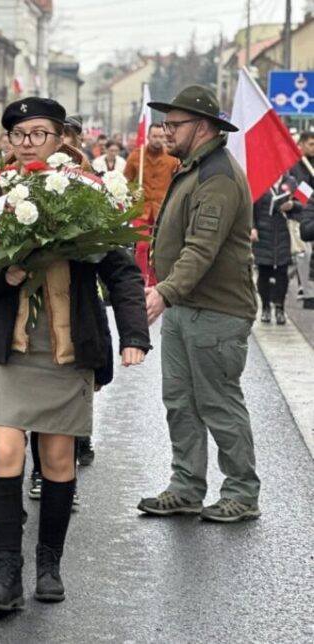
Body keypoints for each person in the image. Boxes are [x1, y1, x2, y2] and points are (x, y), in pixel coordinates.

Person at [0, 97, 149, 612]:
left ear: (60, 138)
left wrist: (134, 333)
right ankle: (6, 574)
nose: (27, 143)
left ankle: (49, 565)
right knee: (1, 453)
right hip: (7, 346)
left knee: (58, 460)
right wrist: (7, 274)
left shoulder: (86, 195)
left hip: (65, 346)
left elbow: (122, 270)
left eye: (38, 133)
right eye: (18, 135)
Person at [138, 85, 261, 523]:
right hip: (187, 307)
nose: (166, 132)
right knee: (180, 401)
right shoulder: (192, 168)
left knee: (218, 403)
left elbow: (201, 248)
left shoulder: (218, 177)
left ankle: (242, 492)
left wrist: (164, 291)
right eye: (166, 124)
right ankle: (187, 486)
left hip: (218, 311)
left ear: (202, 126)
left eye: (175, 125)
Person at [124, 123, 181, 287]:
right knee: (142, 246)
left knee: (159, 248)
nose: (158, 140)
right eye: (155, 136)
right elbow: (126, 180)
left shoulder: (172, 158)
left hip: (161, 211)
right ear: (148, 137)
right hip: (141, 209)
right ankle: (140, 280)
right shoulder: (136, 156)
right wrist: (133, 191)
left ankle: (155, 283)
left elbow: (178, 181)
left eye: (161, 136)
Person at [251, 177, 302, 325]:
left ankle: (280, 308)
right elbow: (250, 206)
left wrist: (292, 205)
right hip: (263, 233)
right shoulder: (259, 180)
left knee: (282, 271)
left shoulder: (291, 182)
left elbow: (306, 204)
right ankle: (266, 307)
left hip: (284, 232)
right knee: (264, 271)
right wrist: (252, 227)